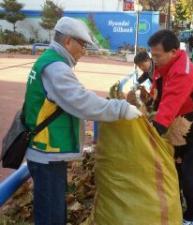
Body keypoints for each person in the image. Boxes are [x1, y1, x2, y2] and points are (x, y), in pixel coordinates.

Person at [24, 17, 141, 225]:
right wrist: (121, 108)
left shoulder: (50, 60)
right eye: (82, 45)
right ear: (68, 41)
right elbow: (82, 102)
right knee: (51, 215)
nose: (84, 51)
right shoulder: (56, 68)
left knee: (54, 209)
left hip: (47, 152)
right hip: (46, 153)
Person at [148, 29, 193, 225]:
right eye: (152, 55)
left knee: (192, 177)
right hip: (180, 124)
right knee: (174, 170)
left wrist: (149, 134)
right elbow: (158, 92)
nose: (154, 59)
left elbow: (168, 108)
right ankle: (176, 208)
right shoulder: (164, 65)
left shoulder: (182, 71)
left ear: (173, 52)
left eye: (157, 55)